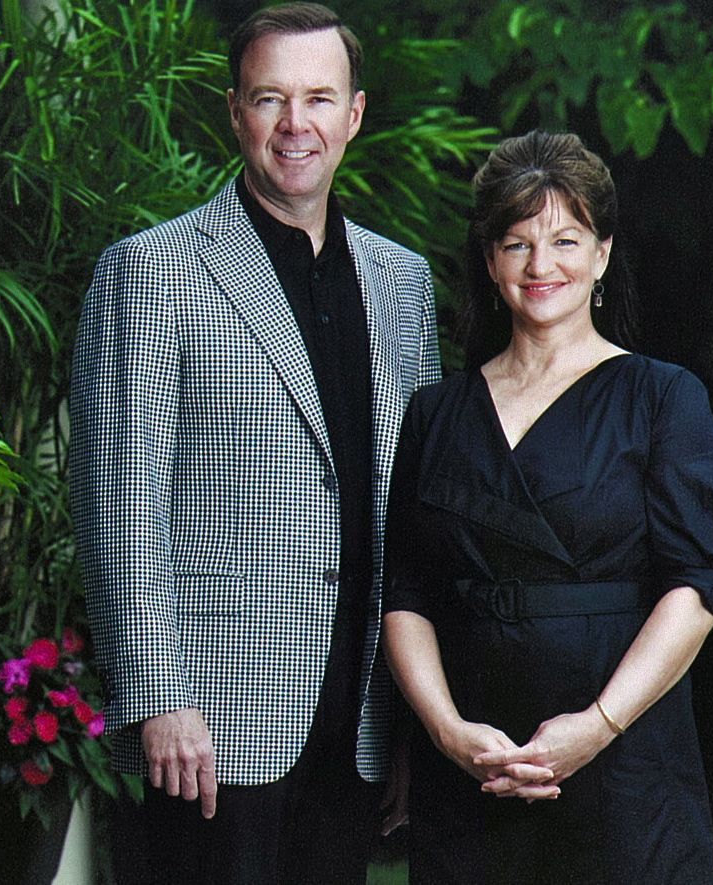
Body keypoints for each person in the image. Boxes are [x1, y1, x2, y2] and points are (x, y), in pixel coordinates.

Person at [68, 4, 440, 882]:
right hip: (209, 723)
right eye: (270, 98)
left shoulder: (402, 281)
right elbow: (118, 506)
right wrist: (158, 695)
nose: (294, 123)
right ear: (234, 111)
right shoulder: (151, 271)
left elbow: (417, 512)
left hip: (358, 717)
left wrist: (415, 718)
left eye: (319, 98)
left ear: (354, 115)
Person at [381, 130, 713, 884]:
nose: (539, 265)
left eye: (564, 241)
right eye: (516, 244)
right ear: (490, 262)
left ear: (602, 254)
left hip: (622, 765)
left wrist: (596, 727)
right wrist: (446, 731)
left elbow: (697, 587)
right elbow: (406, 594)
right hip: (472, 768)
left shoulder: (663, 398)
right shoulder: (435, 413)